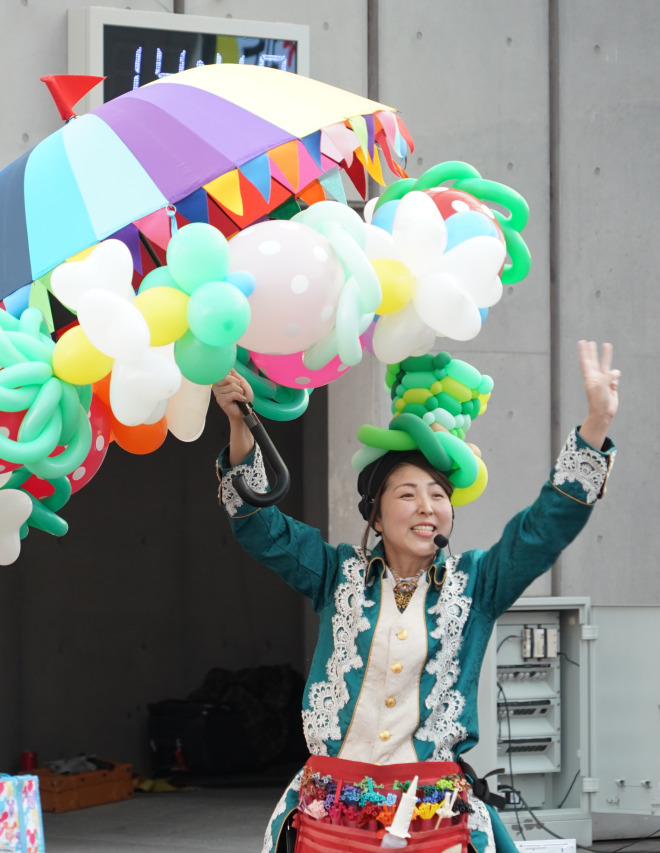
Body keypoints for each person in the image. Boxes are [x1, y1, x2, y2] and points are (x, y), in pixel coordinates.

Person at [212, 341, 620, 853]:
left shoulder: (476, 583)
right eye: (407, 494)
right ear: (377, 516)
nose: (428, 506)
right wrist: (240, 425)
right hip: (329, 818)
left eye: (439, 495)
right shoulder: (338, 574)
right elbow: (259, 526)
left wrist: (596, 424)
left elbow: (540, 533)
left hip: (434, 824)